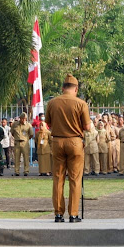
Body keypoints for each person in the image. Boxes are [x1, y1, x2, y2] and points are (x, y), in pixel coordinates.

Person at [45, 74, 90, 223]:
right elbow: (87, 127)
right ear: (76, 89)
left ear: (63, 88)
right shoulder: (81, 103)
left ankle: (58, 214)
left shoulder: (52, 103)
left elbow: (48, 124)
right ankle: (73, 214)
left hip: (58, 142)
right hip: (75, 142)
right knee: (75, 179)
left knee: (58, 178)